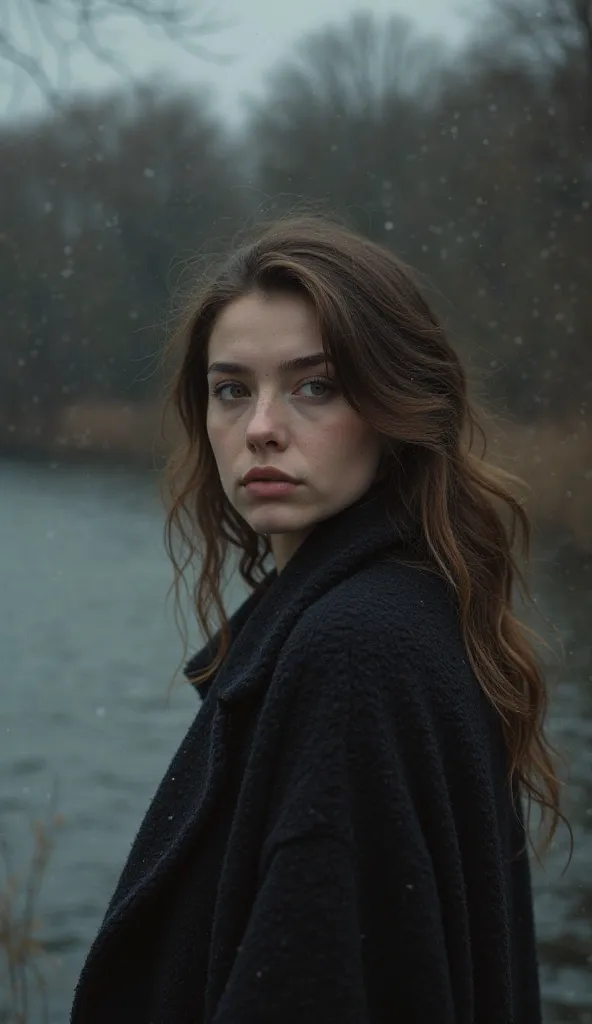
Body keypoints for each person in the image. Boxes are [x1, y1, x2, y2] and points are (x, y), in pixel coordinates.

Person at [71, 214, 568, 1023]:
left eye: (316, 386)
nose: (261, 427)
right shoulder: (404, 608)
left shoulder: (356, 649)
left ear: (398, 405)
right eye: (232, 389)